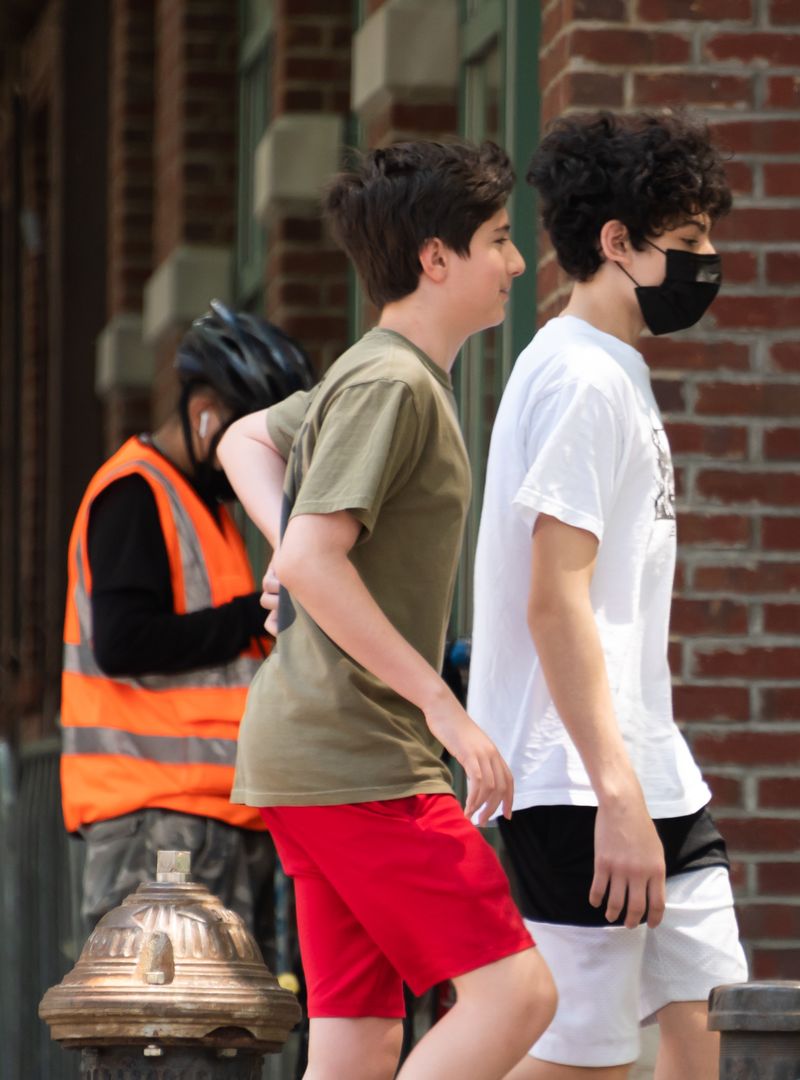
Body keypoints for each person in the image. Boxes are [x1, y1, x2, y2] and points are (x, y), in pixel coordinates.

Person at [218, 139, 556, 1080]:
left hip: (319, 758)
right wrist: (445, 709)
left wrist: (294, 544)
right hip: (361, 756)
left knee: (362, 1040)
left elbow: (248, 437)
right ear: (435, 259)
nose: (517, 263)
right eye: (497, 239)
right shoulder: (390, 383)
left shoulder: (374, 374)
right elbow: (317, 557)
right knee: (519, 994)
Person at [468, 112, 745, 1080]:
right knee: (583, 1058)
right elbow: (556, 599)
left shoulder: (607, 372)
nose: (710, 260)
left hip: (642, 761)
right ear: (617, 243)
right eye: (690, 242)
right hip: (576, 779)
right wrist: (615, 790)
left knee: (716, 1023)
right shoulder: (582, 379)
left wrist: (636, 777)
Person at [60, 301, 314, 942]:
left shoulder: (205, 506)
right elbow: (122, 642)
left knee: (214, 1036)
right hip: (160, 825)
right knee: (168, 1038)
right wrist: (249, 619)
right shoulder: (135, 494)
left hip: (202, 820)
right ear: (206, 411)